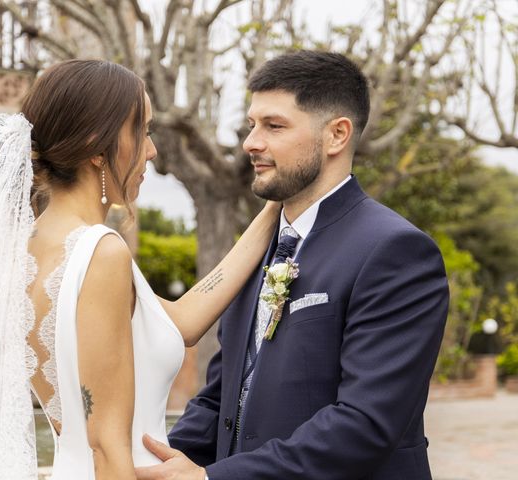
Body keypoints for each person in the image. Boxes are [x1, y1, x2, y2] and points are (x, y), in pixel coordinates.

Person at [0, 59, 279, 479]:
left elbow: (178, 322)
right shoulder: (102, 252)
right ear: (95, 144)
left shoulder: (30, 249)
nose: (151, 150)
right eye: (141, 131)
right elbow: (107, 445)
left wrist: (275, 205)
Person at [135, 51, 449, 480]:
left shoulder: (396, 252)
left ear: (337, 135)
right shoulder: (257, 249)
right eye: (251, 125)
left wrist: (211, 478)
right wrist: (156, 461)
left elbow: (365, 424)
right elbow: (221, 397)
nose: (251, 143)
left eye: (274, 126)